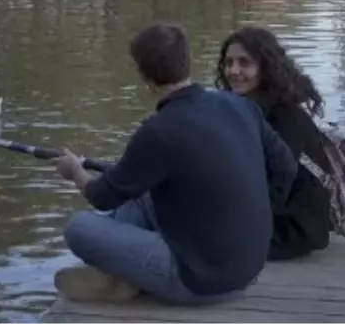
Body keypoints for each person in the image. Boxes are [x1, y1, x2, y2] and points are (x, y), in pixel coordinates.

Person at [52, 23, 298, 305]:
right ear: (187, 62)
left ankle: (123, 277)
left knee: (79, 228)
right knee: (139, 196)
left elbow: (100, 196)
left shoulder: (159, 130)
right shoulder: (238, 105)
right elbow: (286, 167)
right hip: (250, 267)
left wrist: (75, 172)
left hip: (201, 282)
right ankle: (118, 275)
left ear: (144, 76)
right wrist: (257, 212)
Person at [215, 26, 332, 261]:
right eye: (229, 63)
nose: (233, 71)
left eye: (244, 63)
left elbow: (275, 185)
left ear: (264, 68)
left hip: (291, 228)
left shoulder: (285, 116)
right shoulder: (247, 108)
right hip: (267, 218)